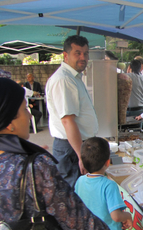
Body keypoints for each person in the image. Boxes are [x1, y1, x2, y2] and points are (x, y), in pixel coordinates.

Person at [0, 75, 132, 230]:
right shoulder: (33, 168)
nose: (29, 115)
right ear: (8, 122)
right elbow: (80, 223)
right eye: (24, 109)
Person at [46, 35, 99, 188]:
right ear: (65, 55)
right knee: (73, 193)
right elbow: (67, 120)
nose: (83, 57)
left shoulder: (73, 77)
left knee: (81, 191)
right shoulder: (63, 79)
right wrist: (80, 155)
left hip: (76, 146)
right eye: (78, 53)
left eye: (86, 53)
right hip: (70, 148)